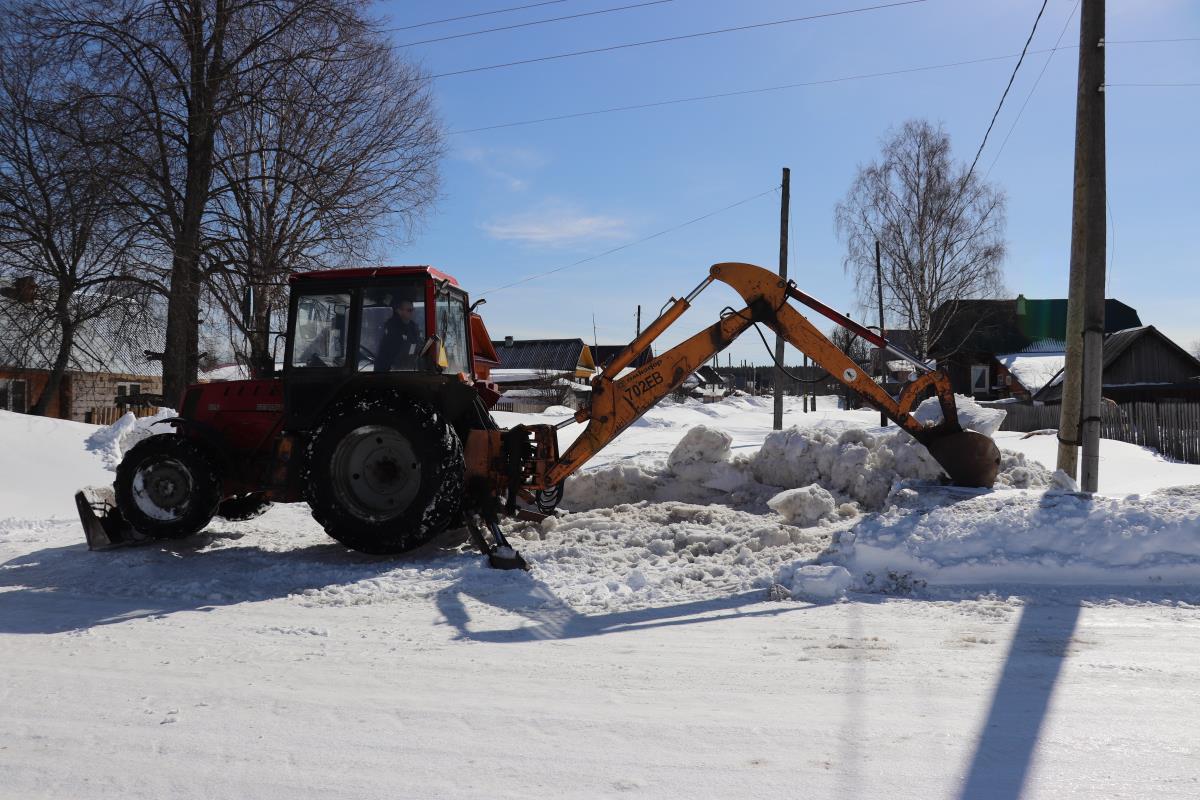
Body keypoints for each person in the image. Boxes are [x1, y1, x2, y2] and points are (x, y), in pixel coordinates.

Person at [375, 296, 422, 371]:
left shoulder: (413, 328)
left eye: (413, 310)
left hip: (409, 370)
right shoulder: (391, 328)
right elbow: (387, 355)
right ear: (399, 311)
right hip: (392, 373)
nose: (412, 312)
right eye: (409, 310)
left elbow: (417, 346)